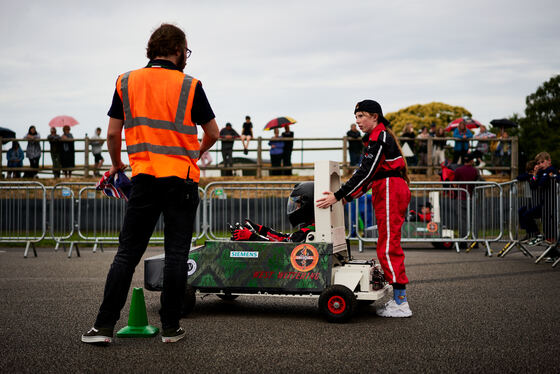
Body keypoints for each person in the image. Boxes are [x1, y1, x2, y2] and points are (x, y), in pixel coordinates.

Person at [82, 23, 219, 345]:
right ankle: (170, 328)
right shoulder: (190, 84)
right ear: (176, 50)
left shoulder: (126, 81)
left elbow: (113, 133)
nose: (186, 57)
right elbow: (212, 132)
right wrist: (193, 155)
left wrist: (117, 164)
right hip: (181, 179)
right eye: (185, 51)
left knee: (127, 254)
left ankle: (103, 327)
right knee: (175, 254)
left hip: (144, 177)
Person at [316, 99, 412, 318]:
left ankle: (401, 303)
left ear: (374, 117)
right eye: (356, 117)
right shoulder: (377, 137)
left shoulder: (379, 136)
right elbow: (371, 177)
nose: (358, 121)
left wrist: (338, 195)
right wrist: (346, 198)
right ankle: (399, 300)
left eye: (361, 116)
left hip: (390, 189)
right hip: (386, 188)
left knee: (388, 246)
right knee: (387, 243)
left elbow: (366, 172)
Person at [231, 182, 315, 242]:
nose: (296, 208)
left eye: (298, 205)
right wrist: (260, 229)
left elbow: (284, 247)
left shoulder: (310, 230)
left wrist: (252, 238)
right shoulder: (311, 226)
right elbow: (284, 238)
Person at [453, 153, 480, 247]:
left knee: (462, 220)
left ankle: (463, 241)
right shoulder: (475, 171)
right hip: (472, 197)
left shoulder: (458, 170)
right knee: (474, 220)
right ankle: (475, 241)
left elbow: (454, 184)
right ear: (472, 161)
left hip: (461, 197)